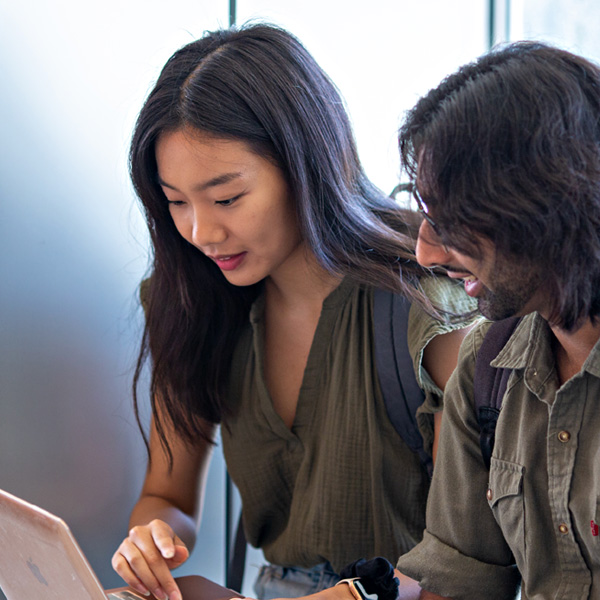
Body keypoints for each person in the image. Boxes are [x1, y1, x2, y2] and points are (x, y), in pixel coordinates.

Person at [111, 23, 475, 600]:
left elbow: (468, 558)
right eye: (176, 202)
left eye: (227, 198)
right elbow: (169, 497)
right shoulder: (191, 298)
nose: (201, 232)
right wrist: (150, 544)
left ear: (306, 165)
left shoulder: (429, 305)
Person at [394, 41, 600, 599]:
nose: (426, 253)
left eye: (451, 223)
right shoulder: (488, 364)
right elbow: (453, 581)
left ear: (538, 204)